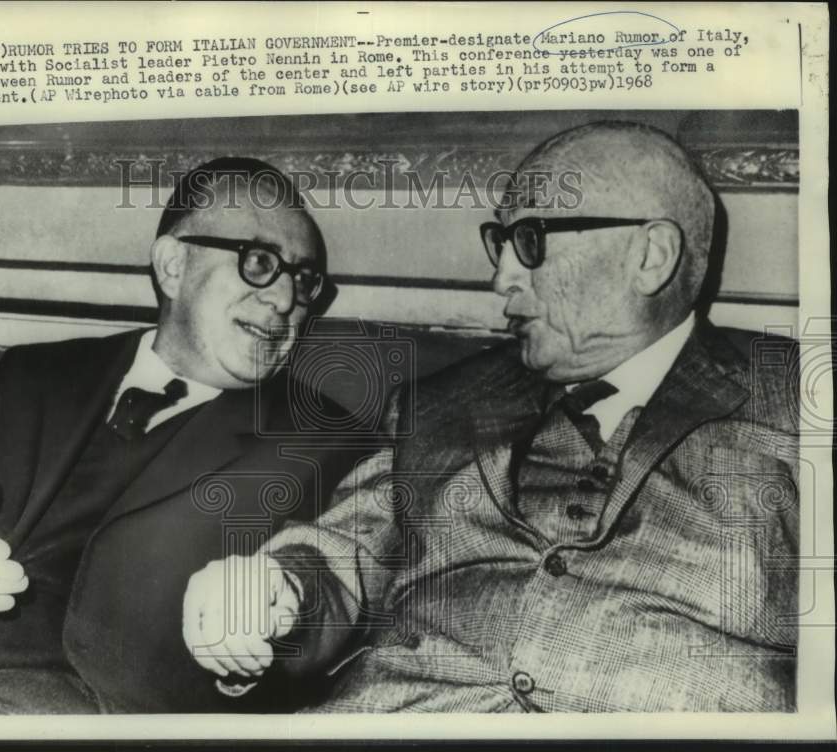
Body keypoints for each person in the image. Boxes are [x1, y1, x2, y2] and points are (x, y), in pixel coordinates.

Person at [183, 122, 801, 712]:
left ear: (651, 256)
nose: (500, 277)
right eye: (499, 245)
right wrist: (275, 589)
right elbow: (344, 554)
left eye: (530, 241)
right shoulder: (439, 403)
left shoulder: (799, 397)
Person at [0, 157, 366, 714]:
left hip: (71, 718)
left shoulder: (327, 441)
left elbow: (334, 586)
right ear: (172, 265)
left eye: (304, 281)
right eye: (259, 262)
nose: (285, 301)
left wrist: (269, 613)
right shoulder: (34, 372)